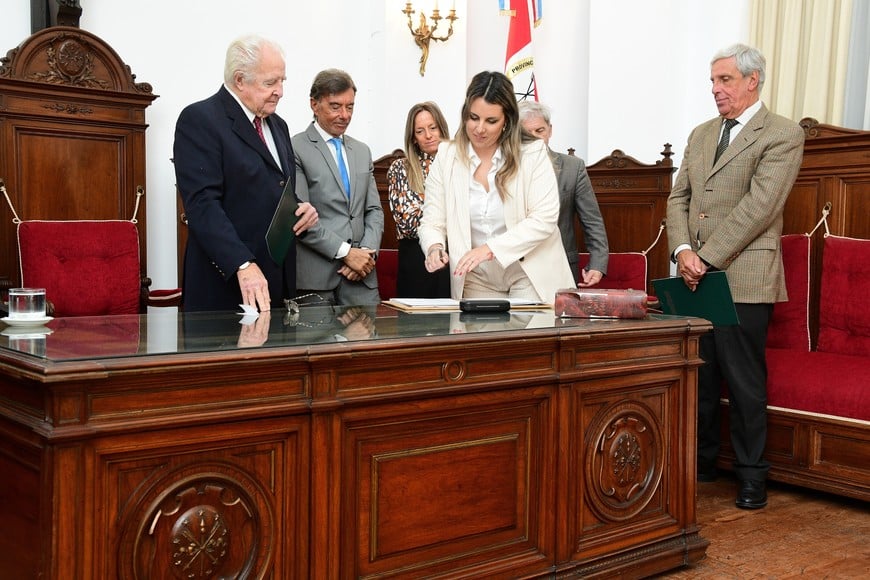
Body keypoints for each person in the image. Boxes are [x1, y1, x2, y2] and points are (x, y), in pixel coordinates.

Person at [666, 43, 804, 510]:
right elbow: (678, 197)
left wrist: (707, 256)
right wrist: (684, 250)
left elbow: (760, 207)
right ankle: (702, 464)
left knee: (744, 383)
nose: (716, 89)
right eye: (712, 81)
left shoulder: (781, 134)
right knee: (698, 378)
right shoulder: (702, 133)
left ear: (752, 81)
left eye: (724, 80)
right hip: (693, 276)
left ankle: (751, 477)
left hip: (743, 276)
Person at [173, 35, 318, 313]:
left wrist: (300, 208)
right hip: (226, 286)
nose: (280, 91)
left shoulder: (279, 125)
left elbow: (270, 188)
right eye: (270, 82)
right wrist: (242, 263)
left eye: (282, 81)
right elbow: (203, 205)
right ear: (240, 80)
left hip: (276, 283)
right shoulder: (200, 119)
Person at [418, 71, 575, 302]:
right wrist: (434, 247)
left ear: (507, 121)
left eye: (491, 121)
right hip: (476, 276)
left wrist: (489, 249)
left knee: (526, 338)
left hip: (529, 271)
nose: (480, 128)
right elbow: (432, 220)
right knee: (482, 338)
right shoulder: (446, 156)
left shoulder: (532, 153)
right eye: (473, 117)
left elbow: (544, 219)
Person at [292, 69, 384, 306]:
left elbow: (373, 210)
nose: (344, 115)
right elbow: (300, 218)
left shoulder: (362, 151)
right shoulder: (294, 148)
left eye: (350, 107)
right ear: (314, 104)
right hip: (316, 282)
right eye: (335, 106)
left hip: (362, 279)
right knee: (318, 346)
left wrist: (365, 253)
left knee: (368, 344)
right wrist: (346, 253)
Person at [518, 100, 609, 286]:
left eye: (539, 131)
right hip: (515, 267)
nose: (534, 139)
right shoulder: (502, 167)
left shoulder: (572, 167)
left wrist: (598, 264)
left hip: (559, 267)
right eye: (526, 134)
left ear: (549, 130)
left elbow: (592, 221)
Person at [387, 102, 451, 298]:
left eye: (433, 128)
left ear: (442, 129)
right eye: (420, 131)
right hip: (416, 259)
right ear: (413, 138)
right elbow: (408, 223)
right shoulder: (401, 168)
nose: (429, 135)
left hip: (454, 256)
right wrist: (447, 215)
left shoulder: (460, 164)